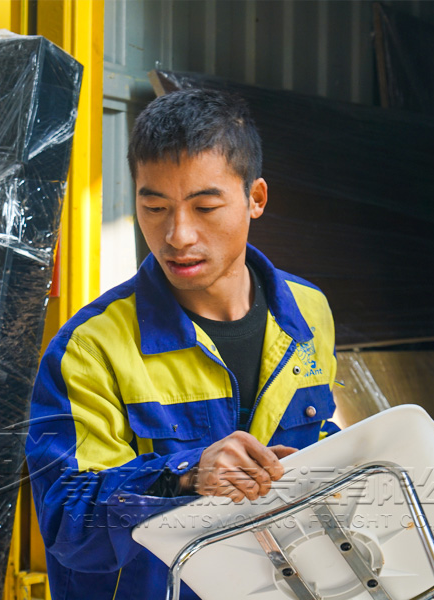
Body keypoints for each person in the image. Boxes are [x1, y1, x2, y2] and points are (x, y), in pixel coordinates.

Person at [26, 88, 339, 600]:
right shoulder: (90, 349)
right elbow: (69, 522)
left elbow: (319, 440)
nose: (178, 235)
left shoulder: (308, 311)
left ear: (256, 198)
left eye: (205, 206)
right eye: (154, 207)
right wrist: (185, 477)